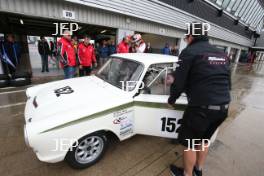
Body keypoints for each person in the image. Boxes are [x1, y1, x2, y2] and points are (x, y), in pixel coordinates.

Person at [167, 22, 231, 176]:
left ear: (191, 36)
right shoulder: (222, 54)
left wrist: (172, 99)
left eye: (186, 37)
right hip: (223, 106)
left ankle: (187, 174)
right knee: (203, 141)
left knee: (189, 143)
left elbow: (179, 82)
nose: (186, 40)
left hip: (201, 108)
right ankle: (198, 170)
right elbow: (227, 81)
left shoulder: (189, 52)